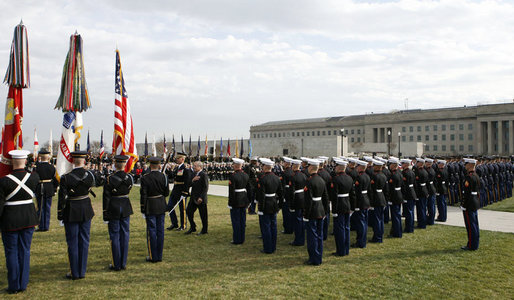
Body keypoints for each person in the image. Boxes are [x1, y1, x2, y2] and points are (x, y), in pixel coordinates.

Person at [0, 150, 39, 294]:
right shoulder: (34, 178)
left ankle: (14, 285)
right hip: (28, 218)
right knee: (25, 251)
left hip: (10, 220)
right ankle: (23, 283)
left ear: (11, 162)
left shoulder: (4, 181)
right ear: (25, 161)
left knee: (11, 252)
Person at [57, 151, 97, 280]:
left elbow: (62, 199)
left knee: (73, 242)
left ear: (72, 160)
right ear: (84, 160)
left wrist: (60, 214)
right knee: (84, 241)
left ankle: (74, 271)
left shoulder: (66, 177)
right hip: (85, 208)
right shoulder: (89, 176)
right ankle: (82, 271)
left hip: (71, 210)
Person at [103, 155, 134, 271]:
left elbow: (106, 197)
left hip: (113, 206)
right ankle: (123, 262)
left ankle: (116, 263)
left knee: (115, 235)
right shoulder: (129, 177)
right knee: (125, 234)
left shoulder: (109, 178)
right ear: (125, 164)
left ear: (115, 164)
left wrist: (105, 213)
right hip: (125, 205)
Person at [140, 156, 169, 262]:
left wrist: (143, 208)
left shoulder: (145, 177)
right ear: (159, 165)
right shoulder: (163, 177)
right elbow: (166, 193)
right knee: (160, 231)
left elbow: (143, 194)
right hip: (161, 204)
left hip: (151, 205)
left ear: (150, 165)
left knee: (152, 231)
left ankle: (153, 256)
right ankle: (159, 256)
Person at [303, 158, 329, 265]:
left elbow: (308, 200)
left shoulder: (309, 181)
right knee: (319, 235)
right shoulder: (321, 180)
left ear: (310, 167)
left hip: (313, 211)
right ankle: (319, 256)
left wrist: (306, 214)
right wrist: (325, 211)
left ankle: (314, 258)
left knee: (312, 236)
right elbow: (326, 198)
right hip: (320, 210)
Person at [256, 158, 282, 254]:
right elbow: (281, 193)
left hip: (266, 204)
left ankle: (267, 248)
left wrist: (260, 208)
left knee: (266, 227)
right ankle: (273, 246)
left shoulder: (262, 179)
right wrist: (279, 205)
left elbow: (261, 195)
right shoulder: (277, 178)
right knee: (273, 226)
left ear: (264, 167)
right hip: (274, 203)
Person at [329, 158, 354, 256]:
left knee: (340, 229)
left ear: (339, 167)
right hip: (347, 204)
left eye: (336, 166)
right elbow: (353, 194)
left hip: (339, 205)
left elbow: (334, 196)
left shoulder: (336, 179)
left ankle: (341, 251)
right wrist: (352, 207)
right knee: (347, 228)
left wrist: (334, 210)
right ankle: (346, 249)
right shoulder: (349, 178)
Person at [33, 149, 58, 232]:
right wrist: (55, 188)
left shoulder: (37, 167)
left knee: (40, 207)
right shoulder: (52, 167)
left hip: (40, 187)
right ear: (48, 157)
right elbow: (55, 179)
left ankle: (41, 226)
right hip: (49, 188)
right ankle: (46, 226)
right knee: (47, 208)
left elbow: (34, 179)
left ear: (40, 157)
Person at [228, 158, 251, 244]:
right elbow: (249, 189)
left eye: (233, 164)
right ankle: (242, 238)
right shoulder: (245, 175)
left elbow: (231, 191)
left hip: (236, 200)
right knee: (242, 220)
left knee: (236, 221)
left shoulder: (233, 176)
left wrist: (230, 203)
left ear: (236, 165)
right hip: (244, 199)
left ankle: (237, 239)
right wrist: (248, 200)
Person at [167, 152, 192, 231]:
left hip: (182, 191)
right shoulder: (176, 168)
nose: (176, 159)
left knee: (182, 209)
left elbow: (187, 182)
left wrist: (185, 193)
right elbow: (172, 177)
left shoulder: (185, 169)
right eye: (176, 158)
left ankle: (183, 225)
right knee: (170, 206)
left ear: (182, 159)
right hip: (175, 190)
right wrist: (170, 170)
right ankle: (174, 223)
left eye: (178, 158)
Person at [461, 158, 480, 251]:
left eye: (466, 164)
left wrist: (464, 205)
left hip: (469, 203)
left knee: (470, 225)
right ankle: (475, 243)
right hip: (475, 201)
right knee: (475, 224)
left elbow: (466, 193)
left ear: (470, 165)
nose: (465, 166)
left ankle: (472, 245)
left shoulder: (469, 177)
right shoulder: (476, 175)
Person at [186, 161, 209, 235]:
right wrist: (193, 180)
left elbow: (205, 187)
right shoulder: (193, 174)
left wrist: (201, 197)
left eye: (195, 166)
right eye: (193, 165)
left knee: (203, 215)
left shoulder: (203, 175)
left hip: (200, 198)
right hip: (193, 197)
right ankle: (193, 227)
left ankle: (204, 230)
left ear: (200, 167)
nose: (193, 167)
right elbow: (188, 184)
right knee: (188, 212)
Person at [288, 159, 307, 246]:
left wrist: (291, 205)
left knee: (297, 221)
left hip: (297, 199)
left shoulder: (293, 177)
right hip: (303, 198)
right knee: (301, 220)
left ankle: (298, 240)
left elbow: (291, 192)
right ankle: (301, 238)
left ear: (294, 166)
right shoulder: (304, 175)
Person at [352, 159, 371, 248]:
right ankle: (363, 240)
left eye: (357, 166)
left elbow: (358, 193)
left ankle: (361, 242)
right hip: (366, 200)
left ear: (360, 167)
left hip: (361, 202)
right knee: (364, 222)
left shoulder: (359, 178)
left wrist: (356, 205)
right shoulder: (367, 176)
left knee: (361, 223)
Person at [369, 159, 387, 243]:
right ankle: (380, 235)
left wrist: (371, 202)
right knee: (380, 218)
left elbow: (372, 190)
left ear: (376, 167)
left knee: (376, 220)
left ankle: (377, 237)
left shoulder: (374, 176)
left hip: (376, 199)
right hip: (382, 197)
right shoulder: (383, 175)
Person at [387, 157, 403, 238]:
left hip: (395, 197)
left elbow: (391, 188)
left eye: (390, 164)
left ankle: (397, 233)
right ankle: (397, 231)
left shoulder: (393, 175)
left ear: (393, 165)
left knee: (395, 216)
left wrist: (390, 198)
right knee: (397, 215)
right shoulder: (399, 173)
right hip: (399, 195)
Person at [280, 157, 294, 235]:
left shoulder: (284, 173)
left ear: (286, 164)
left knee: (286, 213)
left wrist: (283, 196)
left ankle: (287, 229)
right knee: (292, 212)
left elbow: (283, 186)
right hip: (292, 193)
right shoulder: (293, 172)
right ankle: (292, 227)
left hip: (286, 194)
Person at [414, 158, 428, 229]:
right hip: (424, 190)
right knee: (423, 208)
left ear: (420, 163)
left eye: (417, 162)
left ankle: (421, 224)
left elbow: (417, 183)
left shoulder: (419, 172)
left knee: (421, 209)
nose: (416, 163)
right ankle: (422, 223)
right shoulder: (424, 171)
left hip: (420, 191)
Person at [425, 158, 437, 225]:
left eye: (429, 163)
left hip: (430, 189)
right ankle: (429, 219)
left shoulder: (429, 170)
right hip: (431, 189)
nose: (427, 164)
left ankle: (430, 220)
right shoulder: (432, 170)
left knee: (431, 206)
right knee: (430, 206)